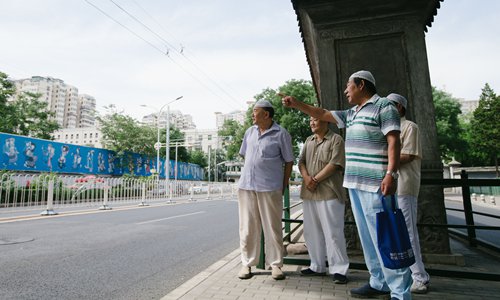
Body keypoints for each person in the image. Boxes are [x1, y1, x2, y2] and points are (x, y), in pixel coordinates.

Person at [281, 70, 412, 300]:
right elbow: (321, 113)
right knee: (368, 239)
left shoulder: (384, 107)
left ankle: (400, 292)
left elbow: (394, 141)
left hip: (376, 185)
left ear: (361, 85)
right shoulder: (352, 113)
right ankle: (378, 282)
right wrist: (296, 104)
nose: (345, 91)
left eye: (348, 86)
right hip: (355, 184)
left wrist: (390, 173)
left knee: (385, 236)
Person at [237, 99, 294, 281]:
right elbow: (246, 155)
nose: (252, 114)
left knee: (273, 227)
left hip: (270, 187)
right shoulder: (249, 132)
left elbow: (289, 161)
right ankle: (247, 263)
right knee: (247, 228)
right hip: (247, 186)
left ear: (266, 114)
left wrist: (283, 185)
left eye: (255, 111)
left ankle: (276, 264)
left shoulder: (281, 134)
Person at [387, 93, 430, 294]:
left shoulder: (409, 127)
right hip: (389, 186)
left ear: (399, 107)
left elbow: (409, 155)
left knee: (408, 233)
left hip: (404, 185)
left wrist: (386, 162)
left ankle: (419, 277)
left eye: (390, 105)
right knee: (395, 233)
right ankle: (402, 276)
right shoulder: (387, 129)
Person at [298, 116, 350, 284]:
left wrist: (315, 180)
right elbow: (301, 162)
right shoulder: (308, 140)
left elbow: (335, 164)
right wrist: (307, 178)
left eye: (316, 119)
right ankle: (317, 266)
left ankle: (339, 269)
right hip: (309, 192)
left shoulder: (336, 139)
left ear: (326, 121)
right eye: (310, 120)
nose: (312, 122)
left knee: (333, 232)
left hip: (329, 192)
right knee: (311, 231)